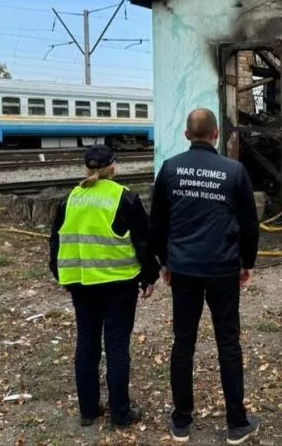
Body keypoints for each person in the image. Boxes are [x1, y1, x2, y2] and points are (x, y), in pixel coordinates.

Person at [150, 108, 260, 444]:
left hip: (183, 269)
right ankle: (237, 423)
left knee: (183, 342)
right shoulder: (234, 171)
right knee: (228, 343)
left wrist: (165, 263)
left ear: (186, 136)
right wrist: (247, 263)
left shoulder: (169, 170)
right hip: (223, 269)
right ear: (215, 135)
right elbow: (250, 226)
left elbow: (157, 224)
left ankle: (181, 422)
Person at [49, 144, 159, 428]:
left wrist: (62, 276)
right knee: (117, 346)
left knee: (86, 344)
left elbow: (56, 243)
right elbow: (144, 242)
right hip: (119, 285)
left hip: (82, 284)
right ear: (114, 167)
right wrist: (150, 277)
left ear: (86, 169)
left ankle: (88, 410)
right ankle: (120, 414)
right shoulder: (125, 199)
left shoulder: (69, 199)